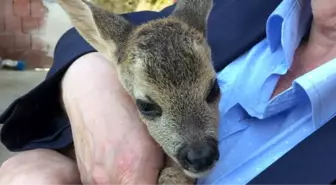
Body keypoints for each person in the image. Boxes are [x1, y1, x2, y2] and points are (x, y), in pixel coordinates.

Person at [0, 0, 335, 184]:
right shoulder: (248, 6)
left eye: (210, 93)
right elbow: (144, 27)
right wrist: (89, 81)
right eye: (150, 107)